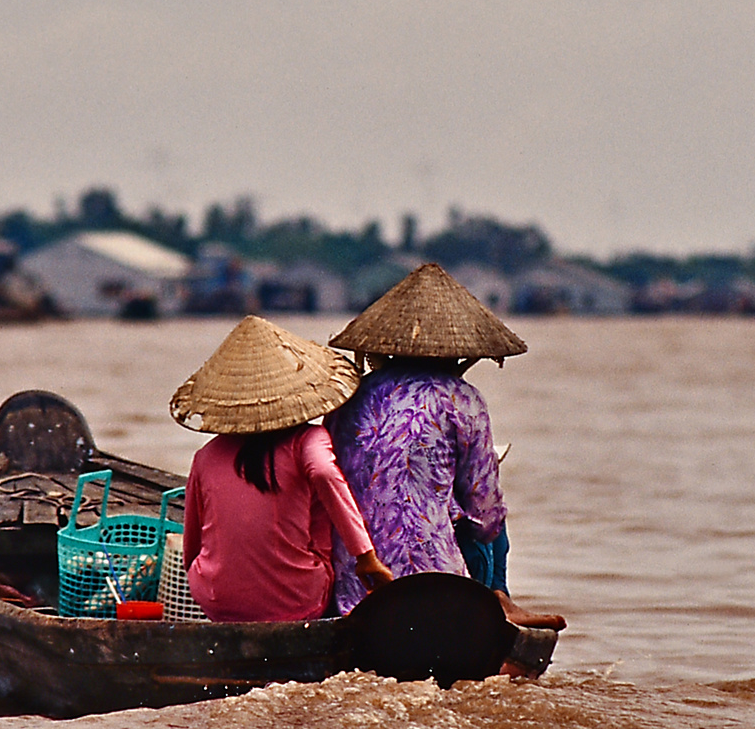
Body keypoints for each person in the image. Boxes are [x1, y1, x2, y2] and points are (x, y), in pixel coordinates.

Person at [325, 263, 567, 650]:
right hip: (435, 586)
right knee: (490, 525)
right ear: (462, 357)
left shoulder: (344, 397)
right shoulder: (462, 399)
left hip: (354, 581)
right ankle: (498, 600)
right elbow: (484, 510)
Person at [171, 315, 394, 623]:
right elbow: (325, 474)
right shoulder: (308, 440)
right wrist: (365, 557)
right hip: (297, 600)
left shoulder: (205, 455)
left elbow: (192, 549)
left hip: (215, 600)